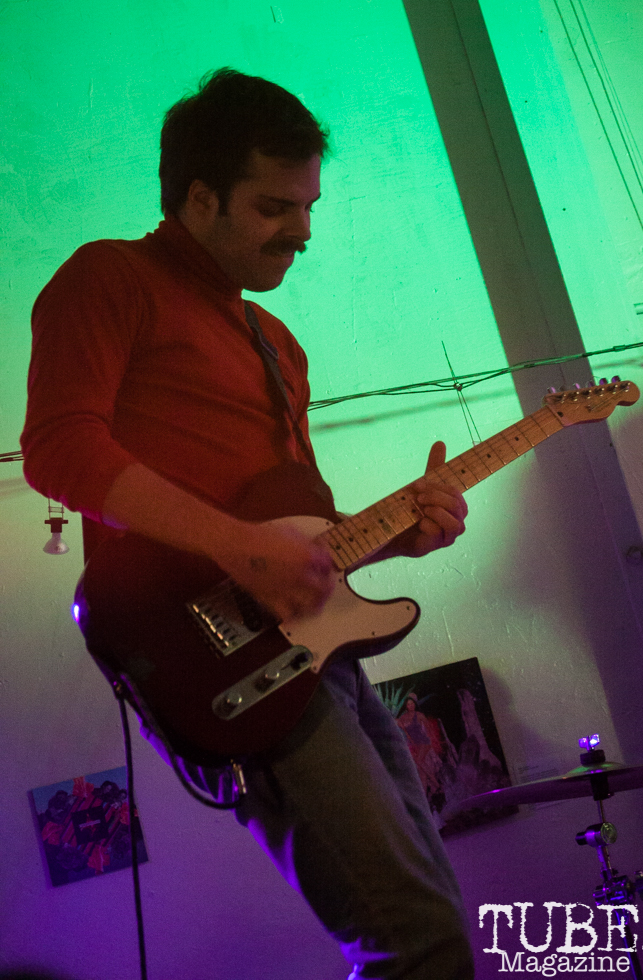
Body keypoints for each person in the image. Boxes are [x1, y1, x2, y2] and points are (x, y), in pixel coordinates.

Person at [21, 69, 474, 979]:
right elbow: (57, 448)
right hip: (224, 661)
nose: (302, 231)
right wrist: (240, 548)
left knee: (436, 922)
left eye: (307, 206)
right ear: (200, 197)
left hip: (318, 656)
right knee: (414, 941)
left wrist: (402, 533)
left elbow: (293, 529)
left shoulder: (279, 345)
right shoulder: (111, 277)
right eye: (274, 207)